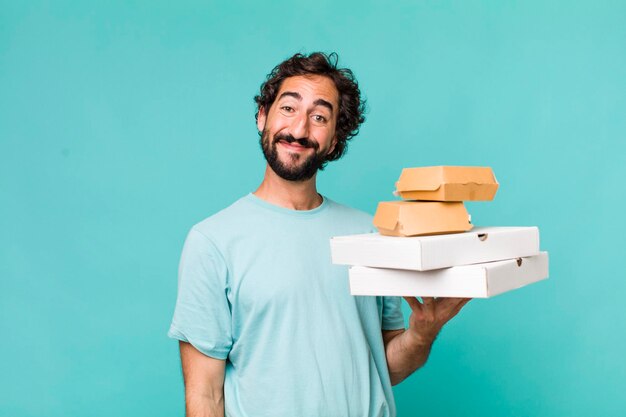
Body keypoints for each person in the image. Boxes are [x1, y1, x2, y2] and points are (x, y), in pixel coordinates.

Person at [168, 52, 470, 417]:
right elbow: (205, 397)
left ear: (334, 140)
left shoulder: (372, 236)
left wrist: (422, 333)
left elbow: (382, 367)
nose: (298, 130)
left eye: (319, 117)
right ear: (262, 116)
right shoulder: (212, 242)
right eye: (289, 108)